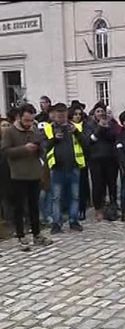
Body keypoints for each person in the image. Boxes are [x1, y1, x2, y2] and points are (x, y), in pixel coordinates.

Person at [1, 104, 52, 250]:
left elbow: (42, 147)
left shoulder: (34, 130)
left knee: (34, 206)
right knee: (19, 207)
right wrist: (24, 149)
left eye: (31, 120)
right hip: (18, 174)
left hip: (34, 173)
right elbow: (5, 151)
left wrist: (41, 149)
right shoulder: (10, 132)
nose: (29, 123)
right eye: (27, 120)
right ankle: (21, 235)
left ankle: (37, 234)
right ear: (20, 117)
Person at [42, 103, 86, 234]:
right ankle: (57, 224)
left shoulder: (75, 127)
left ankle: (74, 221)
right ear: (54, 115)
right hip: (57, 168)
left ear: (67, 114)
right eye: (58, 115)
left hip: (73, 167)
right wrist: (54, 139)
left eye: (63, 115)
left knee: (75, 196)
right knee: (56, 198)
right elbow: (44, 146)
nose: (61, 118)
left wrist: (77, 133)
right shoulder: (48, 128)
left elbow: (86, 143)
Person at [86, 102, 119, 222]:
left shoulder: (111, 123)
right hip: (96, 159)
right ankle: (98, 208)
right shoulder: (89, 125)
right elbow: (91, 140)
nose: (100, 114)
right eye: (98, 111)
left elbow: (114, 137)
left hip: (110, 158)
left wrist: (108, 127)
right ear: (94, 113)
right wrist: (100, 127)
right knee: (98, 185)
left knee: (112, 184)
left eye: (102, 111)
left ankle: (113, 206)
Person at [69, 103, 91, 220]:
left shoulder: (85, 126)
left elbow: (86, 142)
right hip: (69, 161)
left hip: (82, 161)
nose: (77, 116)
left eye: (79, 114)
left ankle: (81, 210)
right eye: (75, 114)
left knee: (81, 188)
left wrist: (76, 132)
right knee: (70, 189)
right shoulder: (66, 126)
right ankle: (72, 211)